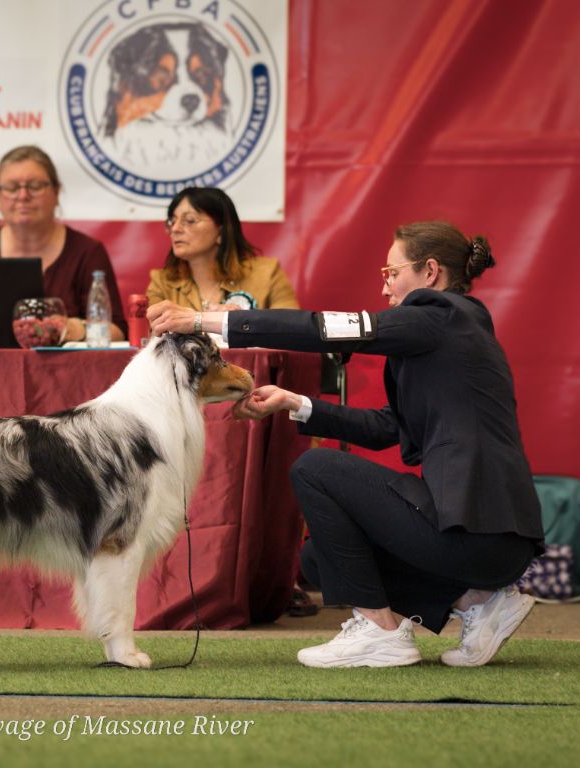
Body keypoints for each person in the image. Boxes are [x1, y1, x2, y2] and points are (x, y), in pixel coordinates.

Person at [148, 221, 543, 668]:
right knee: (320, 559)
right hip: (487, 543)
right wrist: (294, 403)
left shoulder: (440, 315)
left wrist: (200, 319)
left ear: (430, 272)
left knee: (316, 468)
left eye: (392, 274)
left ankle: (380, 631)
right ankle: (479, 600)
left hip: (479, 534)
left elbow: (321, 329)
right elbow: (387, 427)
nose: (385, 289)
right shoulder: (452, 333)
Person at [0, 145, 127, 342]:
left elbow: (117, 332)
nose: (23, 196)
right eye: (12, 188)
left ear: (56, 192)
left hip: (68, 371)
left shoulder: (88, 252)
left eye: (35, 186)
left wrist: (76, 329)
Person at [147, 187, 298, 311]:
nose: (175, 229)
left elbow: (292, 329)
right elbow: (152, 336)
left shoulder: (267, 274)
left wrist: (244, 324)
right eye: (172, 221)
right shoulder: (162, 282)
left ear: (221, 232)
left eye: (190, 220)